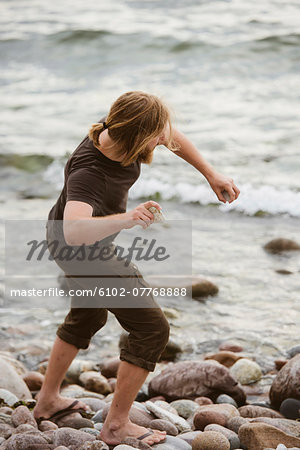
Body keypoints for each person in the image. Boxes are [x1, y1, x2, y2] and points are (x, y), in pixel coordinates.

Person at [33, 91, 240, 446]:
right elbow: (74, 228)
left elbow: (172, 136)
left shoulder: (118, 125)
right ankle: (115, 426)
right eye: (154, 138)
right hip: (80, 250)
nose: (161, 141)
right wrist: (127, 219)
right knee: (152, 329)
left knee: (87, 316)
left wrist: (211, 174)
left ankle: (47, 401)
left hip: (76, 243)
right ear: (134, 137)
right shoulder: (89, 172)